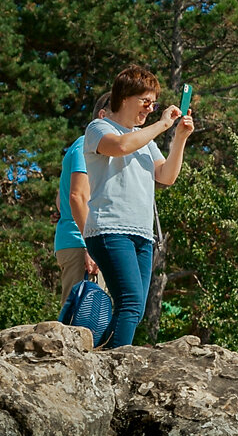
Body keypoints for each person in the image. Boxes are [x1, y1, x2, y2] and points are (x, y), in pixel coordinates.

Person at [83, 67, 194, 348]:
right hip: (109, 229)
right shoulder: (99, 128)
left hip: (142, 235)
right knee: (131, 303)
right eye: (145, 101)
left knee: (134, 309)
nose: (150, 108)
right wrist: (161, 125)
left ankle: (103, 359)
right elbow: (120, 147)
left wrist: (179, 138)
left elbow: (166, 176)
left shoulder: (144, 140)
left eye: (153, 103)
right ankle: (112, 370)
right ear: (123, 97)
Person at [55, 92, 111, 301]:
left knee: (87, 321)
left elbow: (60, 202)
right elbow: (77, 197)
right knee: (80, 321)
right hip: (82, 245)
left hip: (77, 242)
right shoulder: (86, 144)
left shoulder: (82, 145)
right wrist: (91, 246)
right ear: (103, 116)